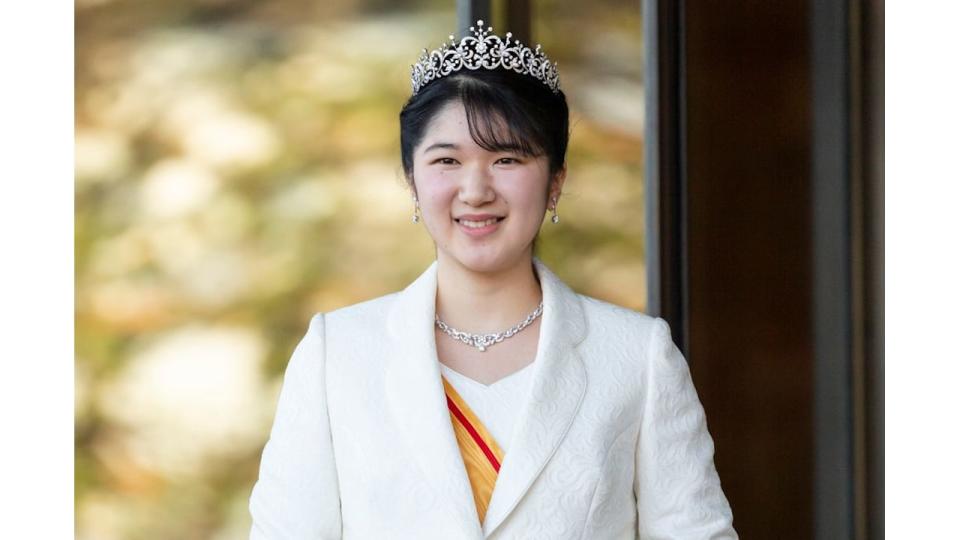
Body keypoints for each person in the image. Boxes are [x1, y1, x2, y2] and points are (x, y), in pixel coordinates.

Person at [249, 20, 737, 539]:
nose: (476, 190)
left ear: (555, 182)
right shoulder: (338, 354)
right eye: (447, 161)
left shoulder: (637, 356)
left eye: (507, 158)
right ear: (412, 181)